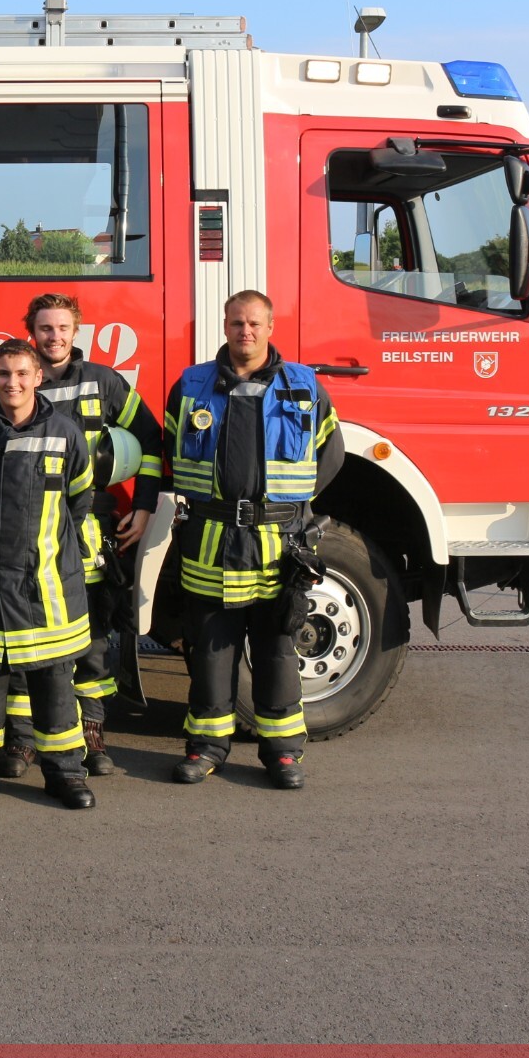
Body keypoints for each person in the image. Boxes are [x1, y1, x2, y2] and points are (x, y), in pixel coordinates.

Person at [161, 290, 343, 790]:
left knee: (276, 650)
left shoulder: (303, 385)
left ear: (270, 327)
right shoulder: (192, 384)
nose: (246, 331)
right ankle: (205, 749)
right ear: (225, 325)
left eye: (255, 323)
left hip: (277, 543)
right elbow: (171, 446)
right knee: (211, 651)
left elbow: (330, 452)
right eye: (237, 322)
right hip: (211, 539)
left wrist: (289, 510)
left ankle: (282, 754)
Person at [0, 339, 98, 810]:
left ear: (37, 377)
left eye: (22, 373)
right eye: (4, 374)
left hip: (47, 587)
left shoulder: (65, 433)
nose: (13, 383)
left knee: (55, 690)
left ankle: (66, 774)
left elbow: (79, 501)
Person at [18, 292, 164, 776]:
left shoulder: (104, 382)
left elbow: (150, 440)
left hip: (91, 528)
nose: (54, 337)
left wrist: (143, 506)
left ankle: (92, 731)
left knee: (94, 634)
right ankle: (28, 736)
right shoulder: (20, 381)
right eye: (45, 328)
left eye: (62, 328)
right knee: (32, 628)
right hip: (34, 529)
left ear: (75, 331)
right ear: (31, 333)